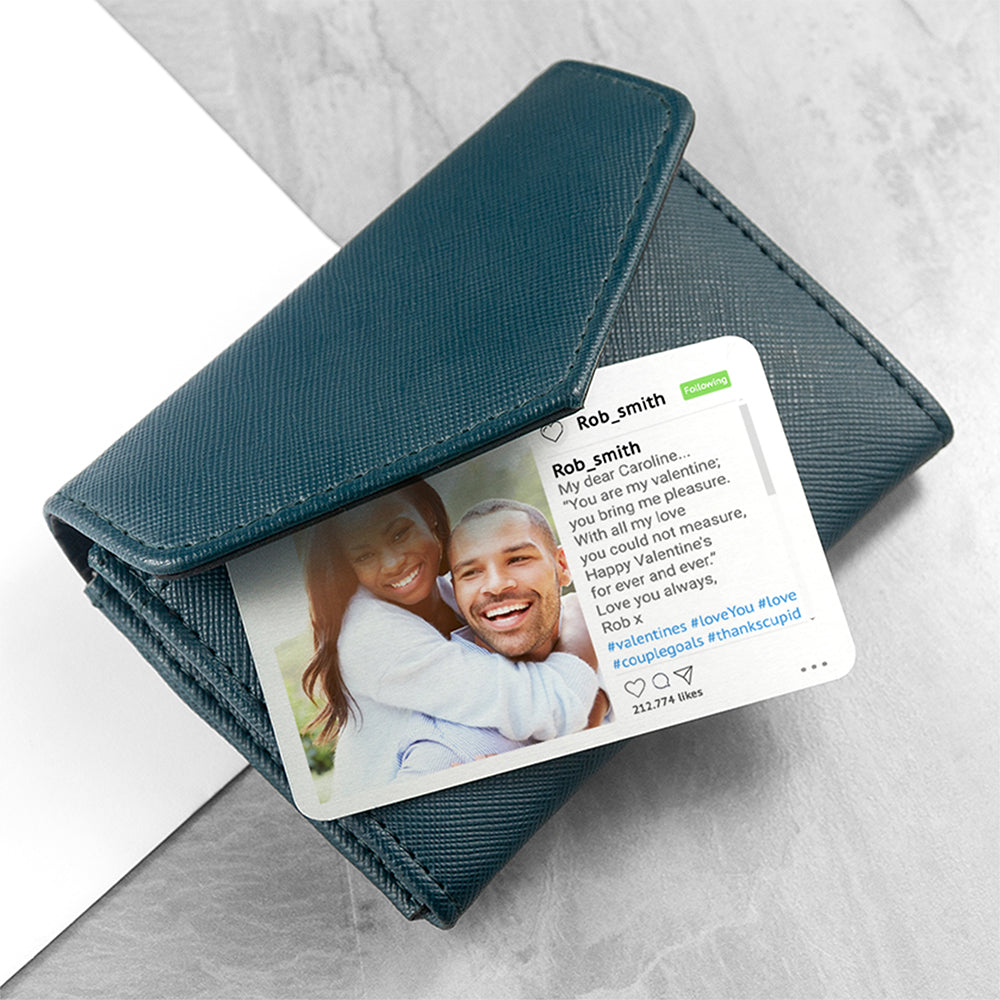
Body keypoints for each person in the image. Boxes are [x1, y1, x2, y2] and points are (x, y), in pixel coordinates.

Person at [301, 482, 599, 800]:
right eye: (364, 556)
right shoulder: (371, 637)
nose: (391, 563)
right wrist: (579, 619)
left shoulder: (451, 592)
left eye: (400, 534)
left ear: (428, 514)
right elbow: (550, 708)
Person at [394, 498, 609, 778]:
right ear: (455, 592)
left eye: (518, 559)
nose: (496, 586)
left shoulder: (607, 634)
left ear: (562, 565)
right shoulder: (446, 742)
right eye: (471, 573)